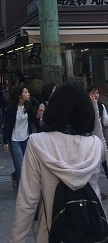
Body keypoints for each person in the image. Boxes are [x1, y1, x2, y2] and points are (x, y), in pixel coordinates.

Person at [10, 82, 106, 242]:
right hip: (91, 230)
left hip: (51, 232)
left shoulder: (37, 143)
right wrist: (94, 108)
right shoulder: (96, 144)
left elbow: (27, 201)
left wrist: (17, 239)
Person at [3, 85, 39, 189]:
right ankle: (21, 189)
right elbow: (7, 125)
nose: (29, 94)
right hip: (15, 141)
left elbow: (34, 120)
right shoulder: (11, 109)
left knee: (26, 165)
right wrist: (5, 141)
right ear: (20, 96)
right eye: (26, 92)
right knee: (20, 166)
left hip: (26, 139)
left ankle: (15, 176)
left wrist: (39, 116)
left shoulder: (28, 106)